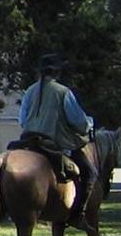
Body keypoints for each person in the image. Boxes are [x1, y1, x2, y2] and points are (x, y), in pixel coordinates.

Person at [17, 53, 95, 221]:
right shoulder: (63, 92)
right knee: (90, 172)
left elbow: (22, 120)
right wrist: (89, 124)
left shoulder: (29, 91)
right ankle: (78, 214)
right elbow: (78, 121)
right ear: (57, 72)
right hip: (53, 143)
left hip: (28, 141)